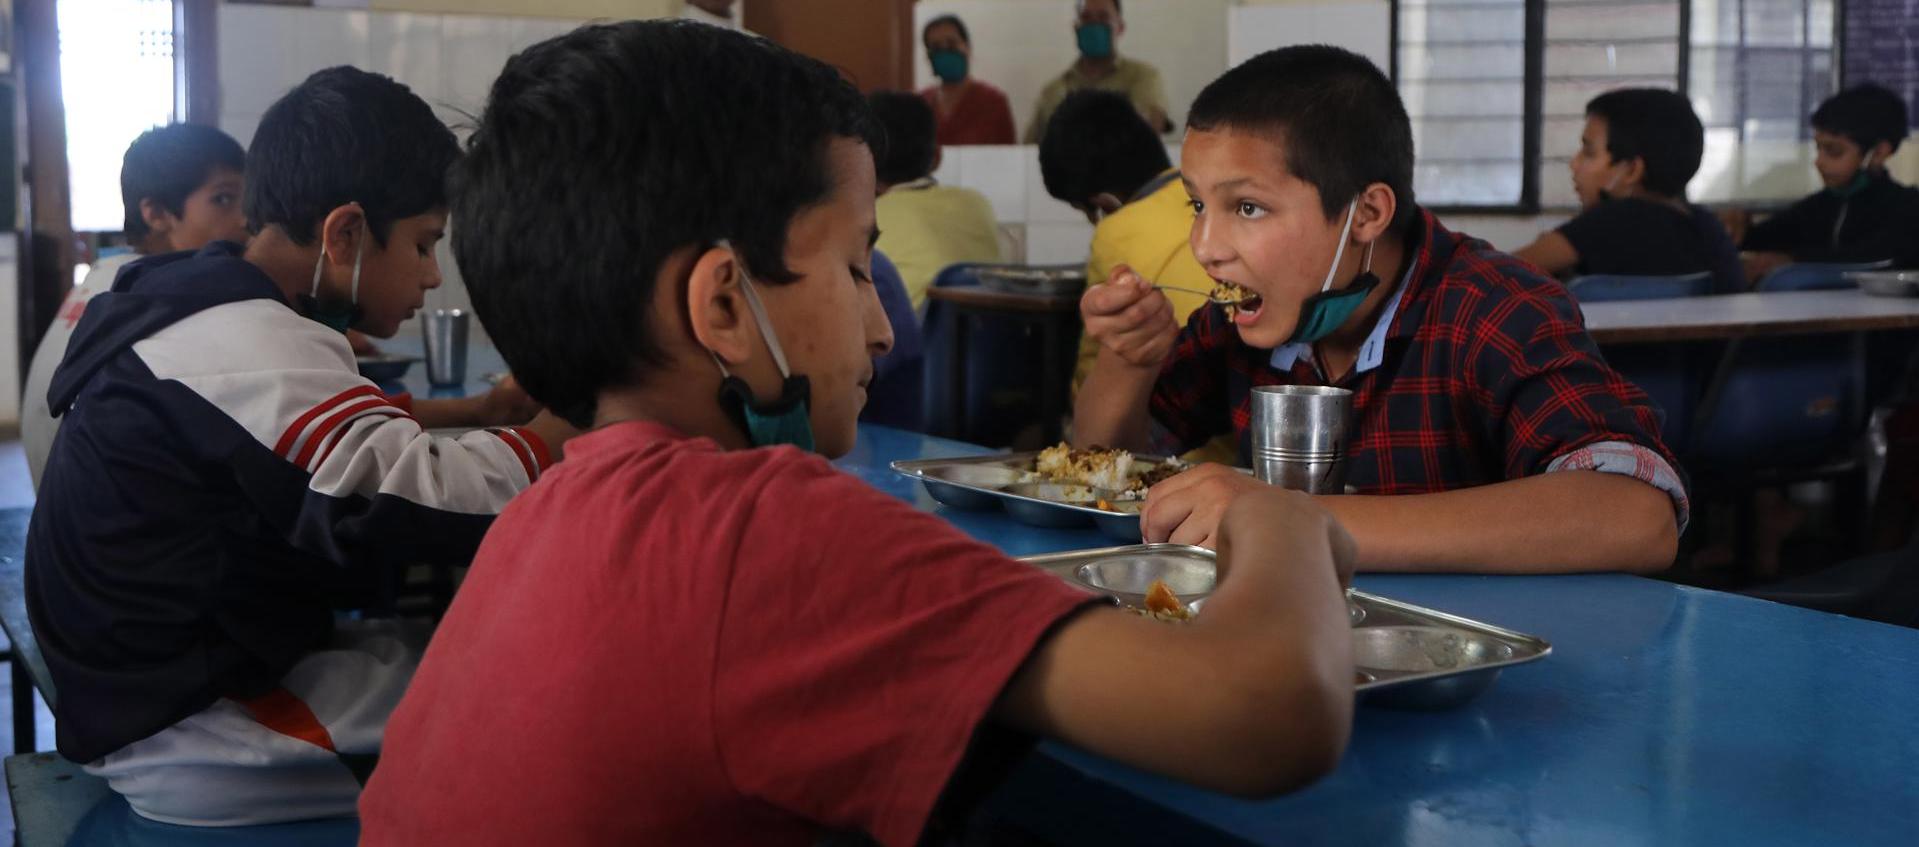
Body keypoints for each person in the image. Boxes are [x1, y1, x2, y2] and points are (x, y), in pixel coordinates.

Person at [358, 21, 1356, 846]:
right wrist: (1283, 523)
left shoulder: (547, 511)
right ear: (720, 305)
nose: (880, 325)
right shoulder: (750, 527)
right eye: (851, 270)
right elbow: (1261, 716)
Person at [25, 66, 575, 826]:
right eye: (422, 243)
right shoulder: (241, 336)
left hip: (175, 675)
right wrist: (567, 428)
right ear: (344, 233)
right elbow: (403, 496)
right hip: (195, 728)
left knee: (461, 650)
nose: (430, 275)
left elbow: (333, 441)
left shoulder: (213, 304)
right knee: (542, 715)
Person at [1073, 45, 1688, 574]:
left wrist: (1300, 520)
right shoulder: (1243, 324)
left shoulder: (1495, 311)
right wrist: (1127, 361)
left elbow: (1636, 515)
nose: (1205, 248)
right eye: (1197, 207)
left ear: (1367, 214)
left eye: (1248, 208)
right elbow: (1097, 476)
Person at [21, 124, 249, 489]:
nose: (244, 218)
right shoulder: (157, 297)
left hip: (62, 513)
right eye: (223, 199)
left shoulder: (106, 277)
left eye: (245, 199)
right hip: (99, 519)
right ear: (156, 213)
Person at [1512, 88, 1744, 295]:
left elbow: (1494, 274)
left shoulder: (1609, 220)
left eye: (1589, 152)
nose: (1574, 163)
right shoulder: (1708, 225)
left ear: (1632, 170)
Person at [1726, 83, 1919, 279]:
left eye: (1834, 151)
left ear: (1878, 152)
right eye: (1819, 148)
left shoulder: (1907, 209)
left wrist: (1794, 261)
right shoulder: (1817, 207)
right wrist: (1737, 226)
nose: (1819, 162)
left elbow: (1878, 257)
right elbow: (1764, 237)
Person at [870, 90, 1001, 309]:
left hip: (908, 340)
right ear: (937, 158)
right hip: (988, 340)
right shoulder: (978, 205)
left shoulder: (868, 218)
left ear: (865, 162)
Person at [1023, 0, 1170, 143]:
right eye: (1086, 17)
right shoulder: (1053, 91)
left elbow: (1149, 130)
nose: (1094, 24)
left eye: (1103, 17)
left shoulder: (1143, 78)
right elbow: (1027, 152)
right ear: (1076, 28)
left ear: (1120, 27)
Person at [918, 14, 1016, 146]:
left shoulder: (993, 102)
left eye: (951, 44)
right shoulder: (920, 105)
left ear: (967, 47)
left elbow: (1008, 156)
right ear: (929, 56)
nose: (945, 51)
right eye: (936, 47)